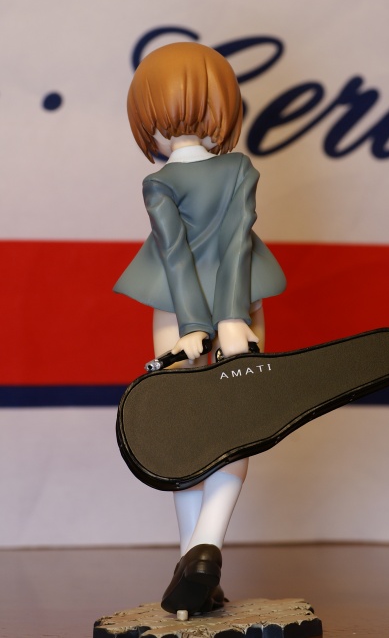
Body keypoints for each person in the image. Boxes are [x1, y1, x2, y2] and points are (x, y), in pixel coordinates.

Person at [114, 42, 286, 617]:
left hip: (175, 310)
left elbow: (174, 256)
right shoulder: (238, 169)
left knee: (185, 433)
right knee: (235, 427)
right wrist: (231, 318)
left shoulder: (158, 183)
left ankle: (193, 556)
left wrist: (193, 326)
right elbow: (236, 244)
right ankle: (203, 552)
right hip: (238, 307)